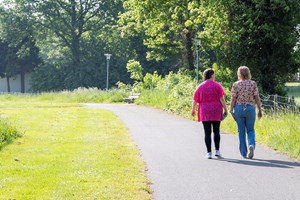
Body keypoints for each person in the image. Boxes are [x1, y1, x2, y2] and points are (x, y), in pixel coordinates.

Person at [192, 68, 228, 159]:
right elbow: (222, 99)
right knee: (216, 131)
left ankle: (208, 153)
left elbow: (195, 100)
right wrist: (225, 109)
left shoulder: (200, 86)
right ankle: (217, 151)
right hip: (216, 110)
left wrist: (193, 109)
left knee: (207, 132)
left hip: (205, 111)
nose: (215, 76)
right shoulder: (217, 86)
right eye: (214, 75)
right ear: (211, 75)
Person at [230, 66, 262, 159]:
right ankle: (251, 144)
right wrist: (260, 110)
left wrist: (231, 110)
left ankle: (244, 153)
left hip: (239, 108)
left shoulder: (236, 84)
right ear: (248, 73)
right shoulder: (253, 84)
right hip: (250, 108)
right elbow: (257, 98)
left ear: (239, 74)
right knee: (251, 130)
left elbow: (233, 98)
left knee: (241, 131)